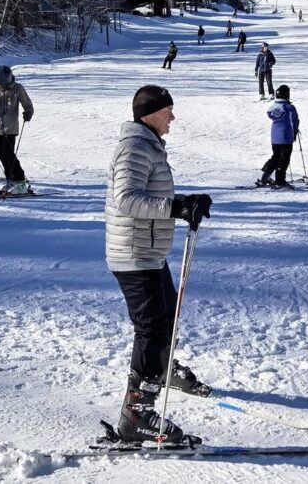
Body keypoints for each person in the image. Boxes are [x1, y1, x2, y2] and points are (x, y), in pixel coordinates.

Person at [106, 85, 213, 444]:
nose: (172, 116)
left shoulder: (147, 145)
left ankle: (163, 369)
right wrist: (174, 208)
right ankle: (137, 415)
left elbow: (150, 194)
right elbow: (126, 199)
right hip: (134, 255)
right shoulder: (134, 147)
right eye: (167, 109)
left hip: (147, 253)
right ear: (149, 113)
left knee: (167, 316)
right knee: (150, 329)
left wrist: (184, 201)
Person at [0, 65, 34, 194]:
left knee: (9, 155)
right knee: (1, 155)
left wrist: (28, 113)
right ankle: (10, 179)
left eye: (4, 84)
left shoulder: (17, 88)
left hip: (10, 127)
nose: (1, 86)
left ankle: (20, 180)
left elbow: (28, 104)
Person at [257, 85, 299, 188]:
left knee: (275, 157)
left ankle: (265, 176)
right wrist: (295, 132)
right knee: (284, 159)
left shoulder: (273, 107)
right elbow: (294, 121)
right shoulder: (289, 107)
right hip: (286, 136)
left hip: (275, 137)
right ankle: (280, 181)